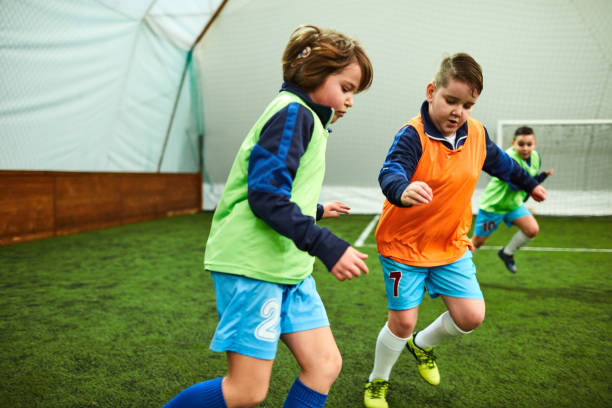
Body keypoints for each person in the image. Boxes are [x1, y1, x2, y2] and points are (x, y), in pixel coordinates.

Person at [163, 25, 373, 408]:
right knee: (246, 390)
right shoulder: (293, 114)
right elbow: (265, 198)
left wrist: (318, 211)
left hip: (288, 267)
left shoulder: (307, 118)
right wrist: (326, 244)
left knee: (324, 365)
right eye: (346, 88)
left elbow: (279, 193)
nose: (350, 101)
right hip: (254, 266)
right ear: (314, 73)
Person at [363, 53, 547, 408]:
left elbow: (501, 163)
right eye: (451, 100)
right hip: (405, 247)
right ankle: (376, 382)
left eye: (468, 104)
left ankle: (423, 345)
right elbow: (391, 170)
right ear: (432, 91)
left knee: (471, 317)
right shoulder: (411, 134)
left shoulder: (476, 132)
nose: (458, 111)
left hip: (451, 244)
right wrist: (401, 189)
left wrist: (529, 183)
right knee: (401, 323)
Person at [471, 126, 553, 273]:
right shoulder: (507, 157)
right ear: (513, 143)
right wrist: (534, 184)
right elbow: (515, 185)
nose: (525, 148)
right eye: (521, 144)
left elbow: (530, 180)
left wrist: (538, 179)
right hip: (494, 206)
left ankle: (506, 253)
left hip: (513, 205)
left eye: (529, 144)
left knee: (532, 229)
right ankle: (454, 270)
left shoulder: (536, 157)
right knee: (478, 242)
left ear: (534, 144)